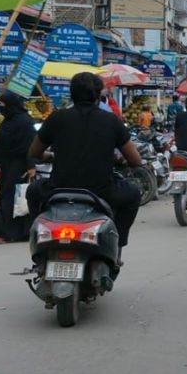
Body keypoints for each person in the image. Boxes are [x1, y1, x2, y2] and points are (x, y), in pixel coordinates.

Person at [27, 72, 143, 253]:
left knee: (33, 191)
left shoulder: (57, 118)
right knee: (134, 194)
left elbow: (34, 152)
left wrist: (52, 156)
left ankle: (38, 238)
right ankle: (118, 242)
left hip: (58, 188)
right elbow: (135, 160)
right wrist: (118, 160)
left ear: (72, 94)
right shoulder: (111, 120)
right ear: (98, 96)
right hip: (102, 190)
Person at [0, 91, 36, 243]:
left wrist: (31, 166)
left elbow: (30, 146)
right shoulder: (10, 121)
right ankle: (18, 232)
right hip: (8, 165)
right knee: (13, 196)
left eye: (3, 104)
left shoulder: (25, 122)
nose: (1, 107)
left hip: (20, 165)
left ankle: (7, 232)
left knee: (14, 197)